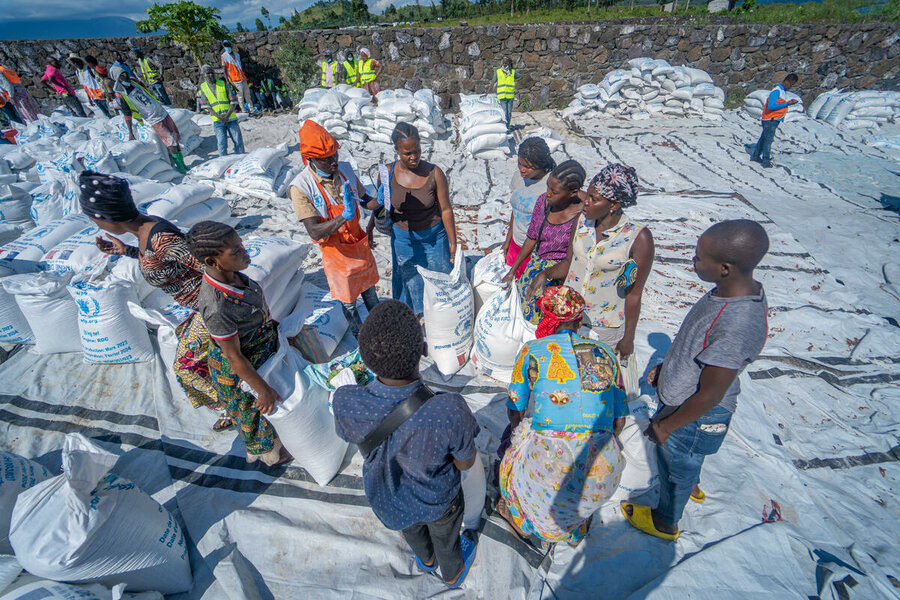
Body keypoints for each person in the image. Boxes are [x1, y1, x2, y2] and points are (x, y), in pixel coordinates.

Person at [622, 219, 769, 541]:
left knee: (677, 464)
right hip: (687, 405)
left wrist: (666, 426)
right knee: (686, 460)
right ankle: (690, 484)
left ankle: (666, 520)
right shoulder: (729, 293)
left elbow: (710, 394)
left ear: (725, 268)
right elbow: (699, 351)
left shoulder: (738, 323)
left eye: (699, 257)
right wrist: (668, 369)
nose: (693, 261)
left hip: (693, 416)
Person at [332, 300, 479, 588]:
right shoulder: (449, 410)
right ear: (423, 350)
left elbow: (347, 435)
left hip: (390, 502)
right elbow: (466, 463)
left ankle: (425, 560)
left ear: (363, 357)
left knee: (413, 530)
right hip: (438, 502)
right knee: (446, 537)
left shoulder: (346, 402)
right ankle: (451, 573)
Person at [78, 171, 232, 431]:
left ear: (108, 217)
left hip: (213, 307)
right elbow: (162, 261)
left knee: (186, 367)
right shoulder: (147, 229)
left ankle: (236, 408)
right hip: (202, 307)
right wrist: (125, 251)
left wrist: (219, 314)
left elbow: (211, 269)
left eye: (94, 217)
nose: (95, 223)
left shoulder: (160, 238)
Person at [496, 285, 627, 546]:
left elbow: (515, 409)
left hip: (548, 461)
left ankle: (524, 522)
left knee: (510, 458)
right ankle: (575, 529)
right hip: (603, 468)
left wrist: (520, 434)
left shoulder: (533, 350)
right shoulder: (607, 354)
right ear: (579, 321)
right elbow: (619, 422)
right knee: (578, 488)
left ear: (547, 319)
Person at [186, 220, 291, 466]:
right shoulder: (217, 306)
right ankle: (270, 455)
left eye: (241, 245)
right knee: (252, 413)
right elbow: (234, 357)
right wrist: (263, 390)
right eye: (236, 251)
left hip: (256, 347)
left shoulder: (234, 276)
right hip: (236, 369)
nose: (245, 252)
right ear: (213, 262)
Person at [532, 164, 655, 361]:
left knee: (595, 382)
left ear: (613, 205)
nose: (585, 203)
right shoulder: (581, 222)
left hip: (604, 327)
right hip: (569, 318)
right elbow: (570, 262)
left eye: (594, 199)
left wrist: (628, 338)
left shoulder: (637, 238)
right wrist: (545, 274)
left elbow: (634, 294)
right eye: (587, 195)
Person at [289, 120, 380, 337]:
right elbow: (314, 231)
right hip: (336, 253)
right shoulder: (301, 187)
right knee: (348, 303)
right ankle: (361, 338)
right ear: (311, 159)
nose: (334, 162)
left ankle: (380, 329)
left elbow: (365, 200)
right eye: (326, 159)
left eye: (335, 154)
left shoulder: (346, 169)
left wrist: (380, 200)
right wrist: (344, 216)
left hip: (358, 244)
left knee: (370, 292)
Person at [380, 122, 457, 316]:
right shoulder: (387, 173)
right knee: (411, 282)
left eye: (417, 151)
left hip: (434, 237)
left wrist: (452, 242)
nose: (414, 157)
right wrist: (374, 224)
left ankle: (441, 317)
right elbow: (381, 205)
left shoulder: (434, 173)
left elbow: (446, 209)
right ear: (396, 150)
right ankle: (416, 317)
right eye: (407, 153)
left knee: (440, 281)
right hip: (403, 239)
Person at [502, 160, 585, 324]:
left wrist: (546, 275)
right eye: (548, 187)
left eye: (554, 191)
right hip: (536, 265)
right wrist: (513, 270)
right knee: (520, 307)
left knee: (544, 319)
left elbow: (574, 259)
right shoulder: (544, 202)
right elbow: (532, 237)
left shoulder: (583, 215)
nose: (548, 193)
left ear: (573, 193)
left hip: (560, 273)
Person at [110, 66, 187, 174]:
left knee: (175, 137)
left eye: (125, 74)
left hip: (161, 112)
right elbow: (127, 114)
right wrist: (131, 133)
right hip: (153, 119)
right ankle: (180, 166)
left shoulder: (133, 82)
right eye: (122, 76)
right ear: (118, 79)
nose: (126, 77)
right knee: (170, 141)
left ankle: (183, 163)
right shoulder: (120, 94)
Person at [502, 138, 555, 279]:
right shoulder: (518, 178)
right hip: (515, 244)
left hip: (534, 252)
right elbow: (516, 211)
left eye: (529, 166)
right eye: (520, 163)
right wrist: (508, 241)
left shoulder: (550, 186)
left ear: (541, 166)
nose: (522, 169)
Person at [750, 73, 799, 168]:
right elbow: (771, 106)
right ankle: (766, 161)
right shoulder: (777, 91)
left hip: (772, 119)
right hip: (770, 119)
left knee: (764, 138)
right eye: (791, 84)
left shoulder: (782, 91)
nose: (791, 87)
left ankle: (756, 156)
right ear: (787, 81)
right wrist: (787, 103)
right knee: (768, 140)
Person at [198, 65, 245, 156]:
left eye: (212, 72)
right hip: (218, 121)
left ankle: (241, 157)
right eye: (208, 73)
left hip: (230, 118)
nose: (211, 75)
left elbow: (233, 101)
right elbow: (206, 106)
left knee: (237, 141)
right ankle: (223, 160)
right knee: (221, 143)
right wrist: (218, 117)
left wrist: (227, 115)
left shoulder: (222, 83)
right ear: (204, 75)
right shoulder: (203, 87)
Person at [68, 53, 110, 118]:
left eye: (76, 61)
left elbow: (100, 80)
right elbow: (85, 86)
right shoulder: (77, 73)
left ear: (80, 60)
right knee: (106, 115)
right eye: (73, 62)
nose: (75, 64)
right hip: (93, 97)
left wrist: (106, 92)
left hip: (101, 95)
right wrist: (89, 98)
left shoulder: (89, 68)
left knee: (111, 113)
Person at [220, 41, 257, 115]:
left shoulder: (237, 55)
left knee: (247, 95)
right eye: (225, 46)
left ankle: (252, 109)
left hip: (242, 77)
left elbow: (240, 66)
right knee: (240, 96)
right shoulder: (224, 56)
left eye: (228, 45)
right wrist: (227, 80)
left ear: (231, 45)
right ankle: (243, 110)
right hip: (234, 79)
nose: (227, 47)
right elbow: (224, 69)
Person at [496, 58, 516, 132]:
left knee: (509, 113)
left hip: (510, 96)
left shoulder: (513, 72)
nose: (505, 64)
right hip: (502, 96)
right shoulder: (498, 72)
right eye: (503, 63)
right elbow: (493, 80)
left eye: (506, 63)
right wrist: (487, 92)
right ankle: (505, 129)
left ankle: (507, 127)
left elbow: (518, 76)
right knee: (504, 113)